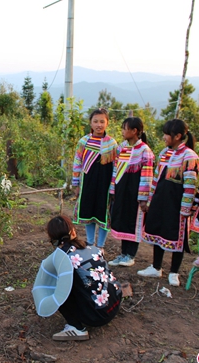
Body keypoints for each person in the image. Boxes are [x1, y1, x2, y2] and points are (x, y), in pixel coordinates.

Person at [34, 215, 122, 341]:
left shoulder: (64, 260)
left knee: (59, 288)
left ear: (52, 239)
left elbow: (62, 290)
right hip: (115, 304)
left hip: (97, 316)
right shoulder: (92, 248)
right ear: (73, 231)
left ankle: (76, 328)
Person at [138, 119, 199, 286]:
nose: (164, 137)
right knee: (158, 233)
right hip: (160, 201)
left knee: (176, 236)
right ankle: (156, 267)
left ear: (178, 136)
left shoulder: (189, 157)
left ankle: (174, 272)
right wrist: (150, 199)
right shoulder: (164, 153)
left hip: (176, 205)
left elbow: (189, 187)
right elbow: (156, 179)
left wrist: (185, 209)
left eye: (167, 134)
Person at [108, 117, 155, 267]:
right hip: (122, 191)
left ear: (134, 131)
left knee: (133, 221)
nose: (122, 131)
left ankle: (131, 255)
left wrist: (143, 198)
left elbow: (147, 176)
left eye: (124, 128)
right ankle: (123, 253)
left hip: (135, 193)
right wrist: (113, 189)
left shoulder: (145, 151)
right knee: (122, 220)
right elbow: (115, 170)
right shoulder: (122, 147)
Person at [72, 108, 118, 250]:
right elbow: (77, 162)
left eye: (102, 121)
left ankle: (101, 245)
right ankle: (90, 243)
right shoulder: (84, 141)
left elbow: (116, 167)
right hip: (88, 183)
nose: (99, 125)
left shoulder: (112, 144)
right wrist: (76, 183)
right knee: (89, 211)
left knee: (103, 213)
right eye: (96, 121)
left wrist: (113, 186)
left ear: (107, 123)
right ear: (90, 124)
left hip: (105, 185)